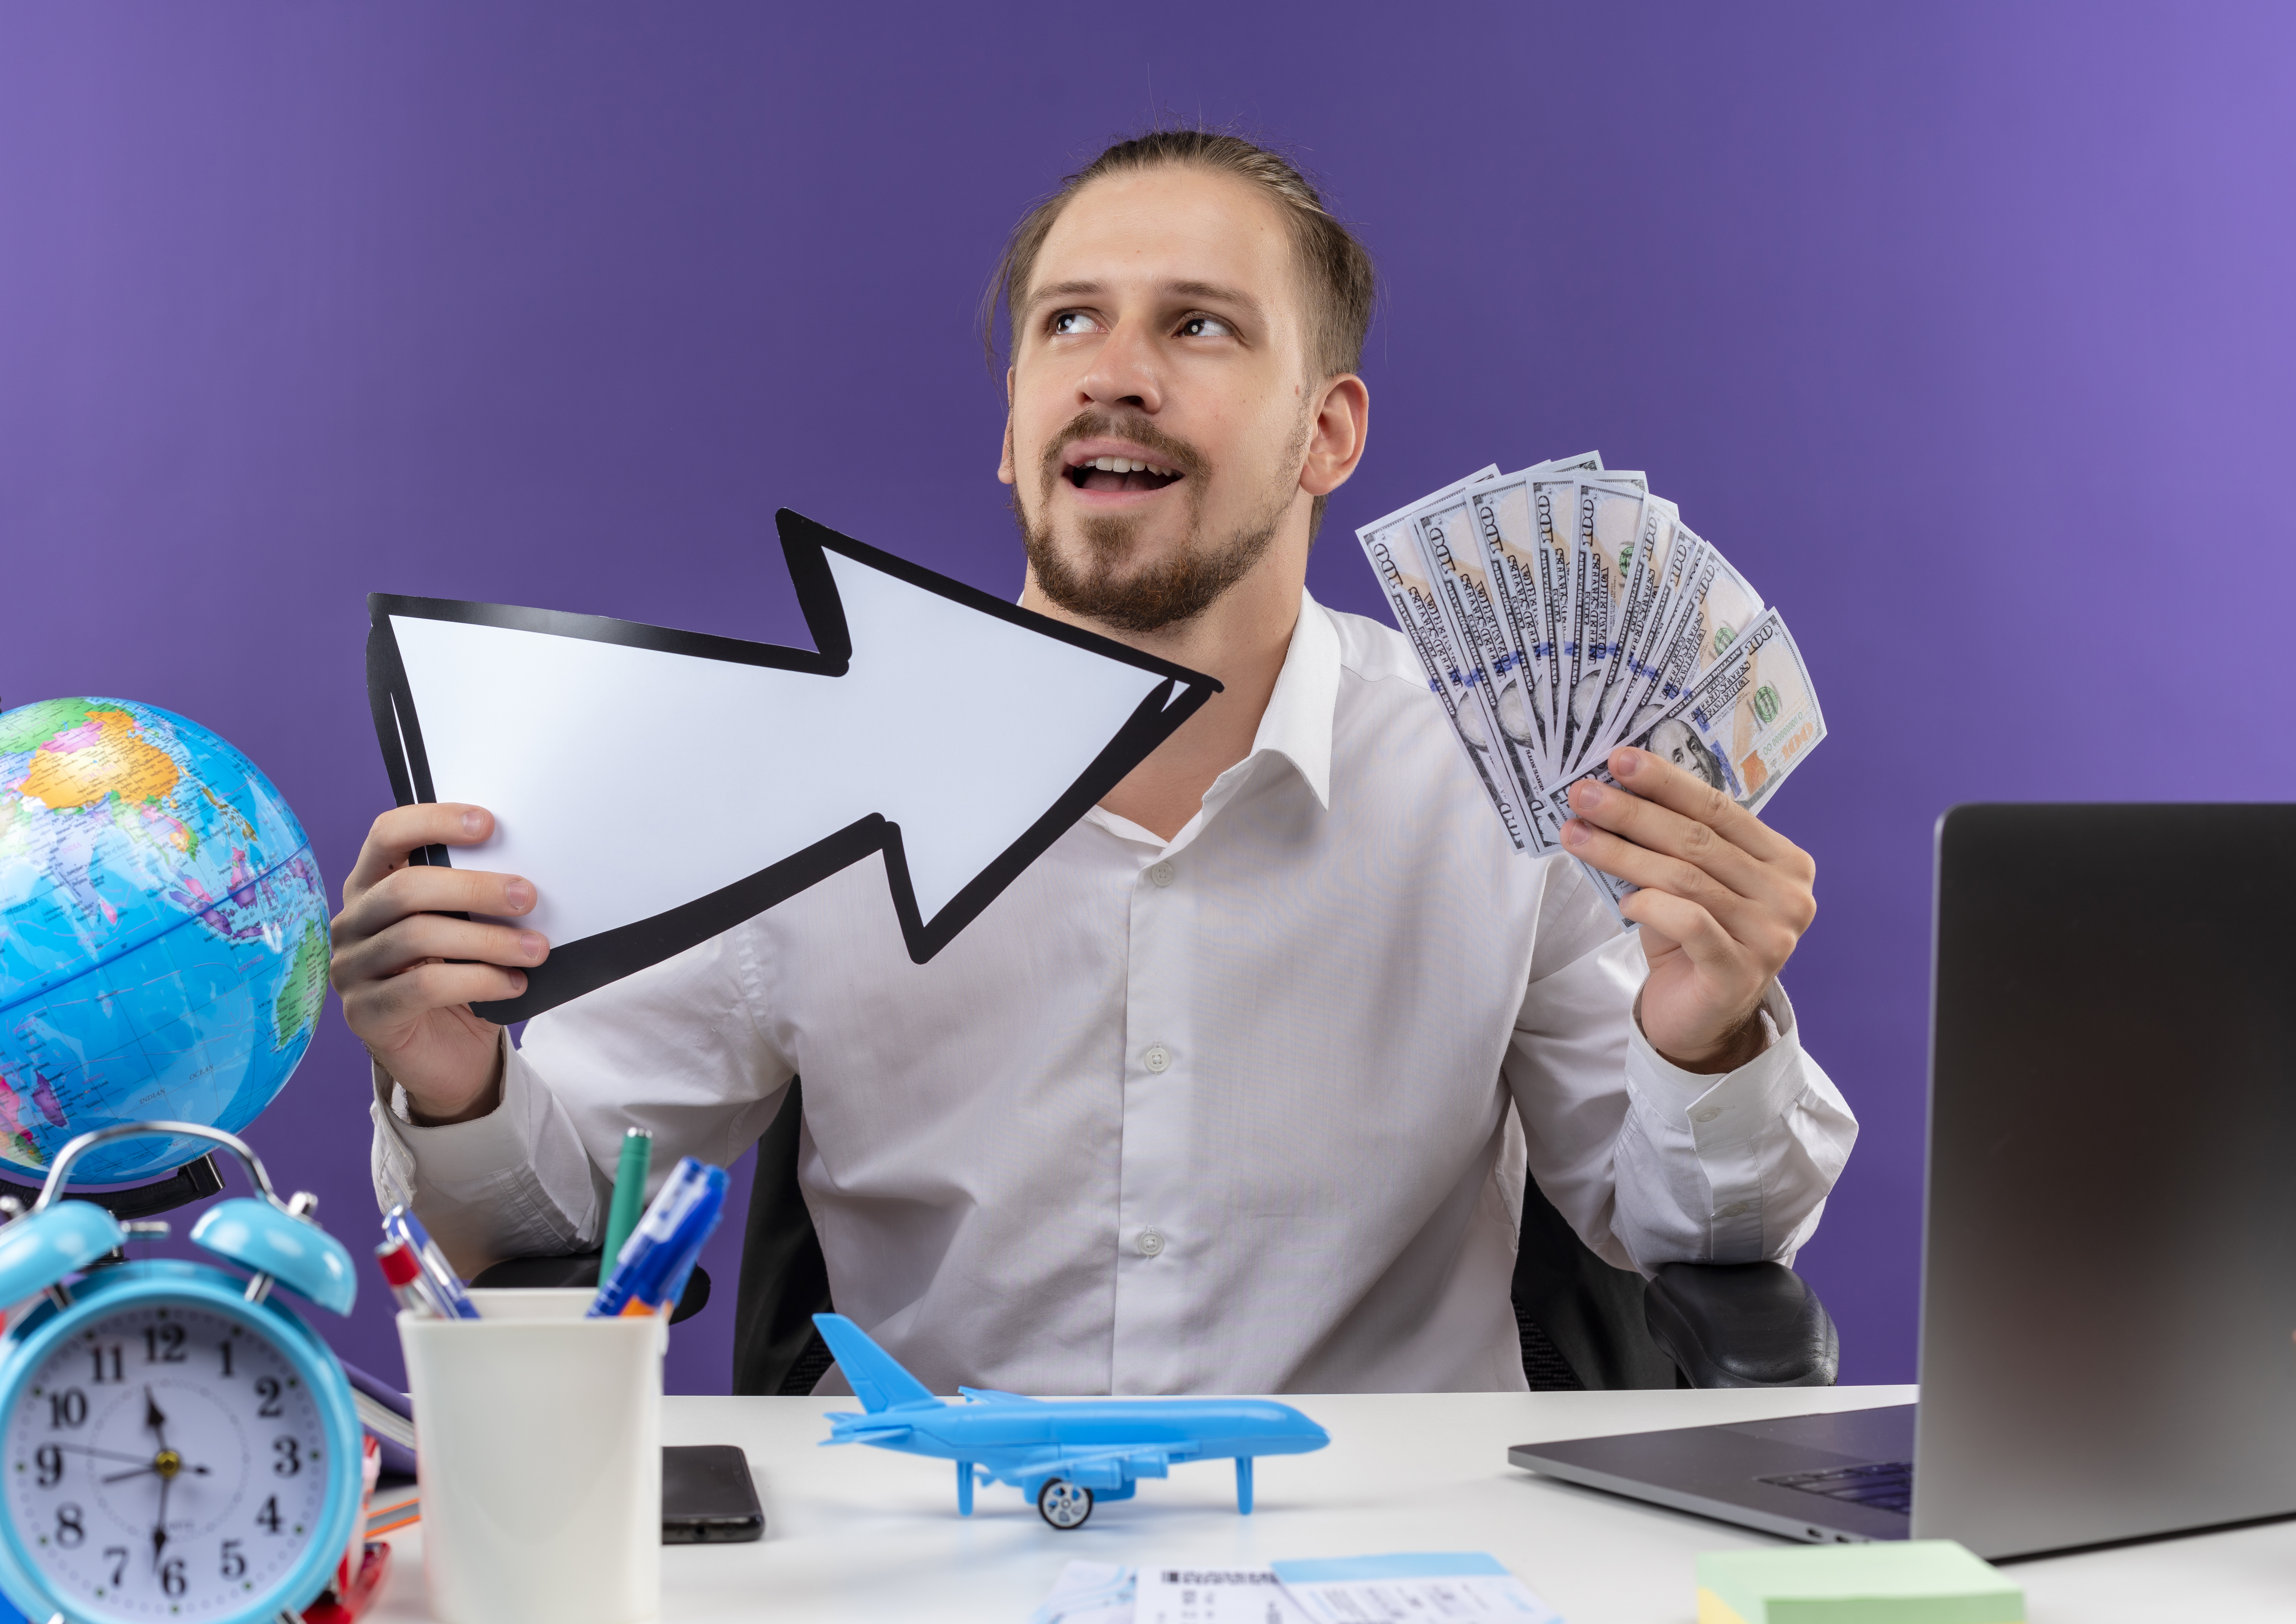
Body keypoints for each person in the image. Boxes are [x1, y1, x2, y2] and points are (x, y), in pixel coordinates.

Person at [329, 131, 1854, 1396]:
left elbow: (1695, 1232)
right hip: (935, 1556)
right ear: (1012, 430)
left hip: (1388, 1561)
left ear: (1328, 433)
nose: (1113, 373)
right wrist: (454, 1081)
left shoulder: (1515, 786)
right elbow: (545, 1221)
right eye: (1069, 322)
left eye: (1198, 324)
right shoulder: (811, 773)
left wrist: (1707, 1042)